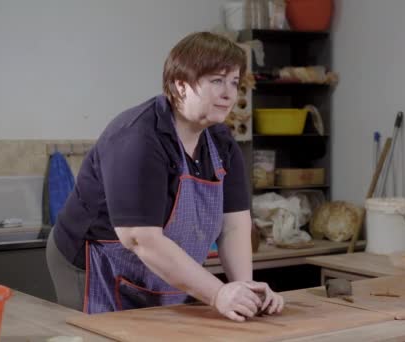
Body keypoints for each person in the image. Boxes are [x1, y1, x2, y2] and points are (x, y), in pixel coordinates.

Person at [46, 32, 284, 321]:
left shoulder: (221, 143)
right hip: (93, 262)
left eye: (234, 82)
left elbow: (234, 225)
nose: (229, 94)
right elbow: (140, 239)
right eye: (216, 81)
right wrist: (218, 293)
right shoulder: (138, 138)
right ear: (180, 85)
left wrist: (245, 288)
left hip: (154, 264)